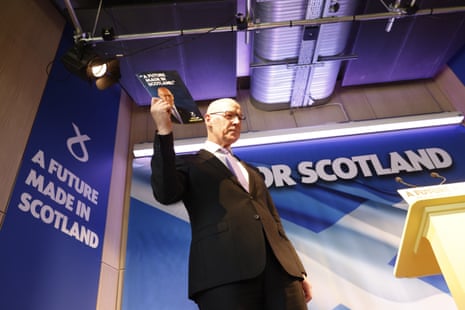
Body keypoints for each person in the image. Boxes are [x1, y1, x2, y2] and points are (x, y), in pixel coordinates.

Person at [150, 97, 312, 310]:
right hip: (223, 272)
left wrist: (297, 270)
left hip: (281, 273)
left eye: (239, 117)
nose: (236, 121)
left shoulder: (251, 171)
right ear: (208, 119)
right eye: (229, 116)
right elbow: (165, 193)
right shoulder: (189, 164)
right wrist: (164, 130)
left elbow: (274, 220)